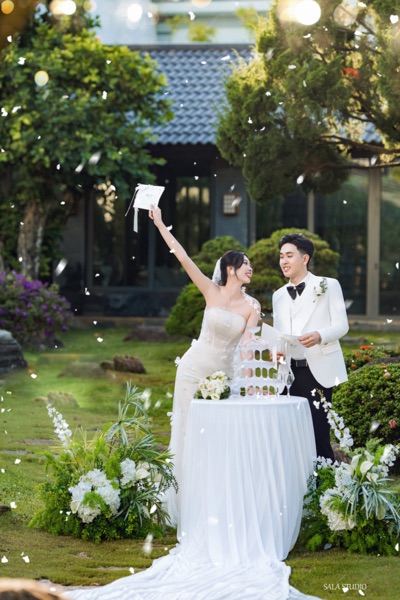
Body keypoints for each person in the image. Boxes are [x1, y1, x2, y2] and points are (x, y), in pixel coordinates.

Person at [149, 205, 260, 526]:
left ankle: (211, 502)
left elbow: (248, 348)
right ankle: (181, 502)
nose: (251, 268)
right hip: (193, 369)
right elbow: (182, 257)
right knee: (186, 432)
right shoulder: (211, 291)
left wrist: (251, 384)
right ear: (230, 269)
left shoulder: (252, 306)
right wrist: (160, 223)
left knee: (215, 437)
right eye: (246, 264)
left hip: (223, 377)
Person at [272, 233, 349, 461]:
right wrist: (276, 353)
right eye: (281, 256)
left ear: (304, 258)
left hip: (318, 370)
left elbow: (342, 325)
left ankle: (324, 480)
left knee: (319, 434)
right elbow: (278, 335)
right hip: (288, 373)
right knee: (289, 434)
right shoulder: (278, 295)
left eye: (289, 255)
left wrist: (319, 335)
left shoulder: (328, 285)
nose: (283, 261)